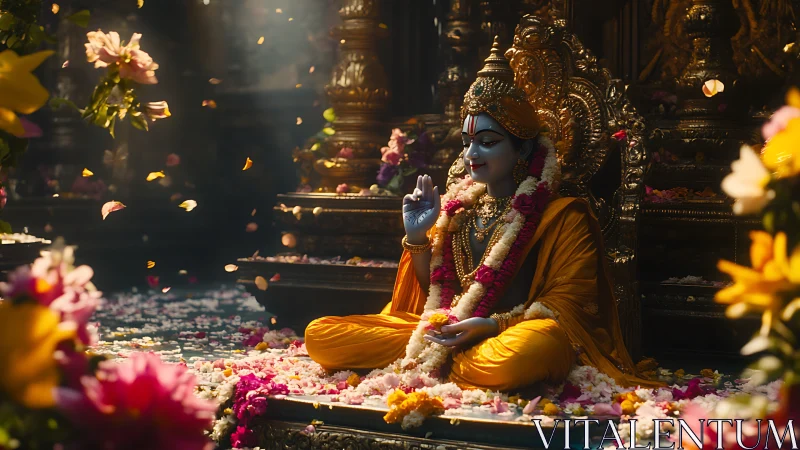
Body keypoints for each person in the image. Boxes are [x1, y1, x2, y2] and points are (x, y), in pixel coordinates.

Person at [305, 39, 659, 391]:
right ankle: (449, 360)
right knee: (320, 335)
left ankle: (447, 363)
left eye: (488, 141)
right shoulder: (456, 210)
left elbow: (568, 307)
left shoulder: (563, 216)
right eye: (466, 141)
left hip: (508, 335)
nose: (472, 153)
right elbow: (435, 293)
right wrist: (416, 237)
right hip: (444, 330)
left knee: (535, 347)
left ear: (522, 148)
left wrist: (491, 326)